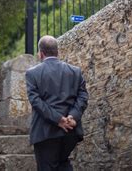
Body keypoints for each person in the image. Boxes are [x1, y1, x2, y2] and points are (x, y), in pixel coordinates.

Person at [25, 35, 89, 171]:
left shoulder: (32, 73)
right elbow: (83, 96)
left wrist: (58, 119)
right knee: (63, 164)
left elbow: (36, 101)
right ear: (57, 51)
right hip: (70, 132)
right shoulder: (75, 71)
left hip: (45, 132)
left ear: (41, 53)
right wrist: (72, 116)